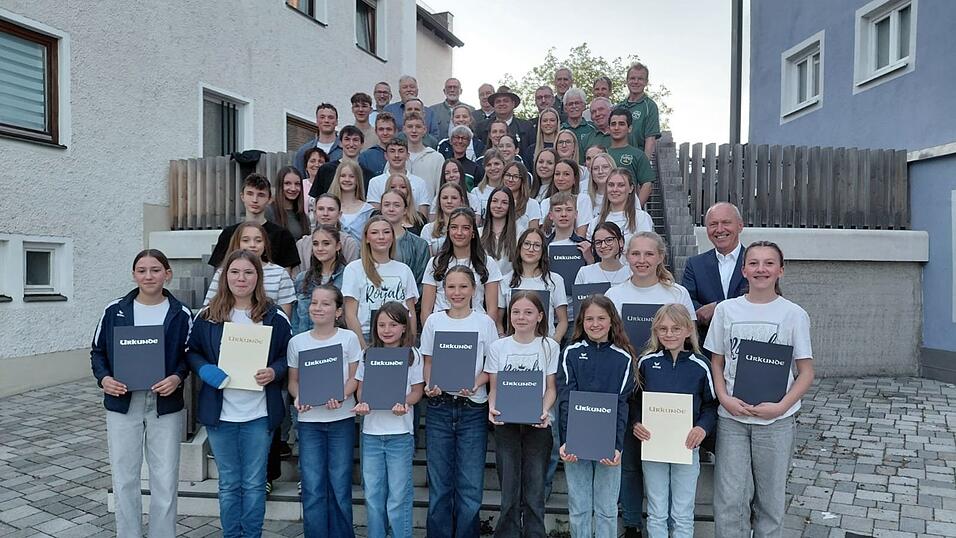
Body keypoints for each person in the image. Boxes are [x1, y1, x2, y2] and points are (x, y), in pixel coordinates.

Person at [706, 241, 814, 538]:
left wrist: (780, 407)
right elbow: (716, 363)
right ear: (744, 270)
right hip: (733, 420)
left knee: (770, 504)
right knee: (729, 502)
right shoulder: (727, 310)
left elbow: (806, 372)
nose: (761, 269)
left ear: (780, 270)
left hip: (776, 423)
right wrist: (724, 398)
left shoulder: (794, 314)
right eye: (753, 263)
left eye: (768, 263)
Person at [186, 250, 292, 537]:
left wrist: (275, 371)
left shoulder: (274, 316)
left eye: (248, 272)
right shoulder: (207, 315)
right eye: (234, 272)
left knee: (255, 482)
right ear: (224, 276)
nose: (241, 278)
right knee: (229, 483)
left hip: (258, 413)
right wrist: (204, 369)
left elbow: (287, 356)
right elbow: (191, 351)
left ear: (258, 277)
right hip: (221, 415)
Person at [91, 249, 191, 538]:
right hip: (123, 402)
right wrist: (104, 379)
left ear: (167, 274)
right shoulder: (115, 310)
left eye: (156, 269)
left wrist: (176, 377)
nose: (149, 275)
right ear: (134, 274)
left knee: (165, 478)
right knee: (124, 477)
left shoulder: (181, 313)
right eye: (142, 270)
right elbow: (98, 352)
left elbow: (188, 355)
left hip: (165, 403)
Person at [606, 231, 697, 537]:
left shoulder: (677, 294)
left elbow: (688, 343)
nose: (641, 260)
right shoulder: (614, 295)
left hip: (667, 391)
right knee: (629, 460)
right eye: (635, 254)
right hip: (626, 387)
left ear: (661, 257)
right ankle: (632, 523)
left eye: (648, 254)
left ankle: (672, 524)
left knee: (666, 460)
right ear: (626, 257)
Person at [420, 266, 499, 537]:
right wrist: (430, 385)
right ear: (443, 291)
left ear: (474, 290)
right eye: (451, 287)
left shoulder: (485, 323)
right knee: (440, 485)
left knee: (469, 487)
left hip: (472, 409)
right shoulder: (433, 321)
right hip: (439, 408)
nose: (457, 292)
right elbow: (428, 362)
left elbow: (493, 367)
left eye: (463, 286)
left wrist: (475, 383)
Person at [632, 304, 717, 538]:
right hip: (654, 445)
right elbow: (634, 401)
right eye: (663, 329)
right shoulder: (646, 362)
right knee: (657, 509)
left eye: (676, 328)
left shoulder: (701, 365)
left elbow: (711, 405)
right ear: (656, 331)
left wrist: (702, 428)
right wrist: (636, 423)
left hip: (686, 447)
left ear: (689, 330)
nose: (669, 334)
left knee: (682, 511)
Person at [558, 295, 636, 538]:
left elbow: (622, 404)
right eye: (589, 318)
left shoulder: (623, 357)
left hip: (608, 448)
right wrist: (565, 441)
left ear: (612, 321)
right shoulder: (570, 352)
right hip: (576, 444)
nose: (595, 324)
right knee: (579, 508)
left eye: (601, 318)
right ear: (581, 322)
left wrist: (616, 446)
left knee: (606, 509)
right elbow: (565, 400)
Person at [287, 284, 361, 538]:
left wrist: (341, 395)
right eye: (314, 303)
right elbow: (293, 382)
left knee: (340, 485)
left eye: (326, 303)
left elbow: (355, 378)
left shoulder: (348, 339)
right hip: (309, 422)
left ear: (338, 311)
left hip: (341, 419)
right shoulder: (297, 342)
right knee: (313, 486)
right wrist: (300, 397)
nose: (318, 308)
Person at [486, 291, 560, 538]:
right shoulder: (498, 346)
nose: (521, 317)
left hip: (537, 426)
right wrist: (492, 408)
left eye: (528, 312)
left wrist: (543, 410)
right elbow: (494, 388)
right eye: (516, 312)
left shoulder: (549, 346)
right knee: (509, 490)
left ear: (540, 316)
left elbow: (551, 389)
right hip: (506, 424)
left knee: (534, 490)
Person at [351, 302, 424, 538]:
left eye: (393, 324)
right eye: (381, 324)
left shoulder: (413, 355)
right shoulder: (367, 354)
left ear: (404, 327)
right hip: (371, 435)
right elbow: (362, 391)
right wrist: (362, 403)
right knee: (372, 495)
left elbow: (417, 391)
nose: (387, 329)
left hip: (400, 435)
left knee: (398, 496)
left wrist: (406, 402)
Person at [341, 216, 419, 345]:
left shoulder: (404, 270)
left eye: (386, 232)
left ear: (392, 237)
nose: (381, 237)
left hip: (398, 338)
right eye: (374, 232)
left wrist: (409, 344)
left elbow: (410, 313)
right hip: (366, 335)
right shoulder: (353, 269)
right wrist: (362, 347)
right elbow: (350, 314)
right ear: (366, 238)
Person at [421, 207, 502, 328]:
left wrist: (485, 330)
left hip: (476, 327)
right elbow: (426, 310)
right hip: (442, 327)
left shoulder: (487, 263)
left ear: (473, 233)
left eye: (465, 228)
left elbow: (492, 310)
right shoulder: (436, 263)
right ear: (448, 231)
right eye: (454, 227)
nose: (459, 233)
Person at [681, 202, 747, 344]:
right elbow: (686, 301)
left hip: (747, 346)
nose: (719, 229)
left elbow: (761, 297)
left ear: (740, 226)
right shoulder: (695, 264)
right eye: (713, 224)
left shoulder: (758, 262)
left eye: (726, 222)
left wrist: (718, 308)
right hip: (706, 346)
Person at [208, 173, 299, 271]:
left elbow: (286, 274)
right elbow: (220, 272)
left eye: (261, 195)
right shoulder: (228, 234)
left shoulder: (282, 235)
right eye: (250, 194)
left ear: (269, 199)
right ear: (242, 196)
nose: (255, 200)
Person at [204, 222, 295, 318]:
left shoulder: (280, 273)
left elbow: (284, 315)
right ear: (237, 243)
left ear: (265, 244)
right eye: (246, 240)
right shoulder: (222, 272)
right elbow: (210, 307)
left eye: (258, 241)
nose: (252, 245)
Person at [500, 228, 569, 341]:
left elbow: (563, 321)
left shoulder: (555, 280)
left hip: (545, 344)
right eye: (527, 244)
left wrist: (554, 343)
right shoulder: (505, 280)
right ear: (520, 247)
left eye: (537, 245)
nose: (531, 249)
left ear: (543, 251)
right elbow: (498, 321)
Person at [292, 224, 347, 334]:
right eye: (315, 244)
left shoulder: (348, 276)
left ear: (338, 246)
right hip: (305, 342)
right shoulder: (301, 279)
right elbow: (295, 319)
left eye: (326, 243)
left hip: (337, 341)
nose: (320, 248)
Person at [587, 168, 655, 247]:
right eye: (611, 185)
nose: (615, 189)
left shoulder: (642, 218)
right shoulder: (594, 223)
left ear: (631, 188)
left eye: (621, 185)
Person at [367, 138, 431, 215]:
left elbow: (422, 216)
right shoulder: (375, 182)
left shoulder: (419, 182)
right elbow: (375, 215)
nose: (396, 155)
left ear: (408, 155)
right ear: (386, 156)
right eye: (392, 151)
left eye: (401, 151)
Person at [608, 108, 657, 208]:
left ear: (629, 128)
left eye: (621, 124)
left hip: (628, 209)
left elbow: (647, 184)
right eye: (613, 124)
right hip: (604, 208)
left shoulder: (638, 155)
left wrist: (636, 208)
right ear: (609, 128)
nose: (616, 127)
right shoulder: (602, 154)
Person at [380, 188, 430, 287]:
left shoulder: (419, 245)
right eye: (386, 205)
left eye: (396, 205)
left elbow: (421, 282)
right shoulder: (371, 241)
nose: (391, 209)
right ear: (381, 209)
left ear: (405, 210)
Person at [296, 194, 360, 269]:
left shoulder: (349, 244)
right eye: (321, 209)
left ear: (339, 214)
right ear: (314, 213)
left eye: (331, 209)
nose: (325, 213)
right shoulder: (302, 244)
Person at [475, 86, 536, 165]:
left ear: (513, 104)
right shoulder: (482, 127)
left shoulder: (527, 127)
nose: (501, 104)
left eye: (505, 101)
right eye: (498, 101)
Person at [307, 125, 366, 200]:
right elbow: (314, 199)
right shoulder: (325, 169)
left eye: (355, 140)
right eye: (347, 139)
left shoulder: (367, 173)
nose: (351, 144)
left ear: (362, 144)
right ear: (340, 143)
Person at [619, 62, 662, 159]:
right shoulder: (619, 106)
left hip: (637, 158)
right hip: (618, 158)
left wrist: (644, 164)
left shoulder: (650, 106)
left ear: (646, 82)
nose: (636, 82)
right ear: (627, 81)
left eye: (640, 79)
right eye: (632, 78)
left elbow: (650, 139)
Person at [540, 158, 591, 237]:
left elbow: (581, 235)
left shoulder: (583, 200)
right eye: (557, 174)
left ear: (574, 179)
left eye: (566, 174)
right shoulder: (545, 203)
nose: (560, 178)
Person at [327, 160, 374, 242]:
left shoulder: (368, 210)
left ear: (357, 180)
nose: (347, 179)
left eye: (352, 176)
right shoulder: (327, 207)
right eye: (343, 176)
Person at [479, 186, 518, 277]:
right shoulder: (478, 233)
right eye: (495, 201)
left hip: (508, 285)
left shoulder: (519, 233)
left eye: (504, 202)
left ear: (510, 206)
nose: (498, 206)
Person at [421, 182, 468, 255]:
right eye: (445, 198)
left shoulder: (468, 228)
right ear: (439, 201)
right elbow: (428, 259)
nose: (449, 201)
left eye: (454, 198)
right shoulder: (428, 229)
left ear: (461, 201)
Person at [403, 112, 444, 197]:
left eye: (418, 127)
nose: (414, 130)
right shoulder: (397, 157)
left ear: (424, 130)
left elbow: (440, 190)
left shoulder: (437, 158)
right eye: (410, 127)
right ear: (404, 129)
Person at [294, 103, 342, 175]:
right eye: (322, 117)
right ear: (316, 121)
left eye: (330, 117)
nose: (326, 120)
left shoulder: (345, 151)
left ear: (336, 122)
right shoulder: (303, 151)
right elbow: (298, 179)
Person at [266, 166, 310, 240]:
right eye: (287, 183)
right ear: (280, 185)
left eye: (297, 184)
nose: (293, 188)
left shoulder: (304, 217)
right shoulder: (269, 212)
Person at [358, 112, 399, 187]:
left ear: (395, 131)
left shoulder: (403, 155)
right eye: (381, 129)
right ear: (376, 131)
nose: (385, 133)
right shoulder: (365, 157)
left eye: (389, 129)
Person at [502, 161, 541, 234]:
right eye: (507, 175)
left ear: (522, 180)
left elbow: (534, 232)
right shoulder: (497, 201)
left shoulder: (532, 204)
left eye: (516, 177)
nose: (510, 179)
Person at [560, 88, 596, 162]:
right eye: (570, 104)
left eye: (577, 103)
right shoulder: (560, 129)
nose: (574, 106)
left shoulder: (593, 128)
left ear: (583, 106)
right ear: (565, 108)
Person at [473, 148, 507, 221]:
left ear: (504, 165)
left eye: (496, 164)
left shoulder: (510, 190)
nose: (493, 168)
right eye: (488, 165)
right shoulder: (476, 192)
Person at [583, 150, 614, 219]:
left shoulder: (624, 194)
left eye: (605, 167)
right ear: (591, 173)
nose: (600, 171)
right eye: (596, 168)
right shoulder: (585, 198)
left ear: (613, 169)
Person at [302, 147, 329, 214]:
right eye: (312, 161)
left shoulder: (330, 185)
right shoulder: (300, 185)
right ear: (306, 166)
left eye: (320, 162)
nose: (316, 165)